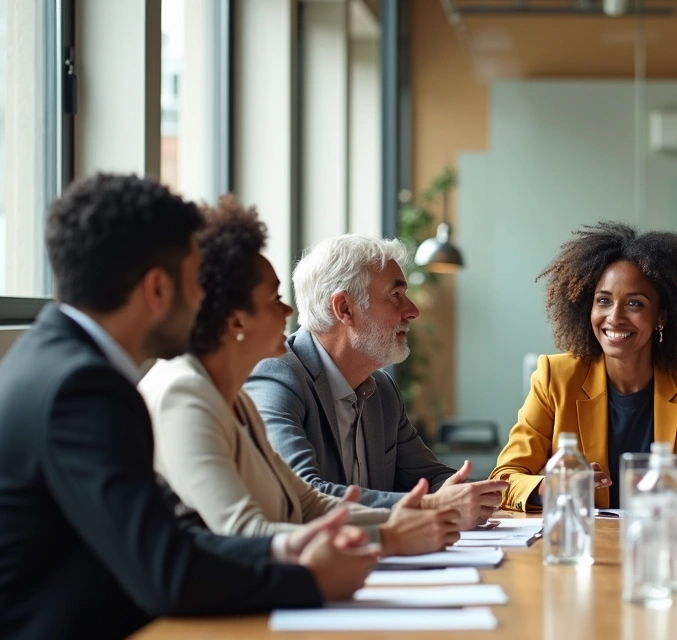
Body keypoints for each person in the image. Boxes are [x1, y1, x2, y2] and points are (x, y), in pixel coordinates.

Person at [0, 175, 378, 640]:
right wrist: (309, 578)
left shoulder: (58, 360)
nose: (205, 301)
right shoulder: (84, 389)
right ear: (157, 289)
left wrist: (285, 549)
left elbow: (173, 537)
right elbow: (167, 572)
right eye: (194, 281)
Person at [140, 197, 460, 556]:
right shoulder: (184, 392)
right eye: (274, 299)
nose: (290, 310)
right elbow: (244, 532)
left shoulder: (235, 399)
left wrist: (423, 511)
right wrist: (388, 538)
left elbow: (306, 503)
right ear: (236, 321)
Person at [246, 234, 506, 529]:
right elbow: (302, 495)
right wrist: (431, 505)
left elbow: (429, 477)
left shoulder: (382, 390)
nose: (413, 311)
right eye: (395, 295)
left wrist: (464, 493)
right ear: (344, 308)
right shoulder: (276, 377)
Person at [491, 221, 677, 510]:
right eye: (603, 300)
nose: (614, 317)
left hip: (661, 540)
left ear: (661, 316)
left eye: (635, 304)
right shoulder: (554, 377)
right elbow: (505, 480)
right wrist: (552, 486)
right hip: (583, 543)